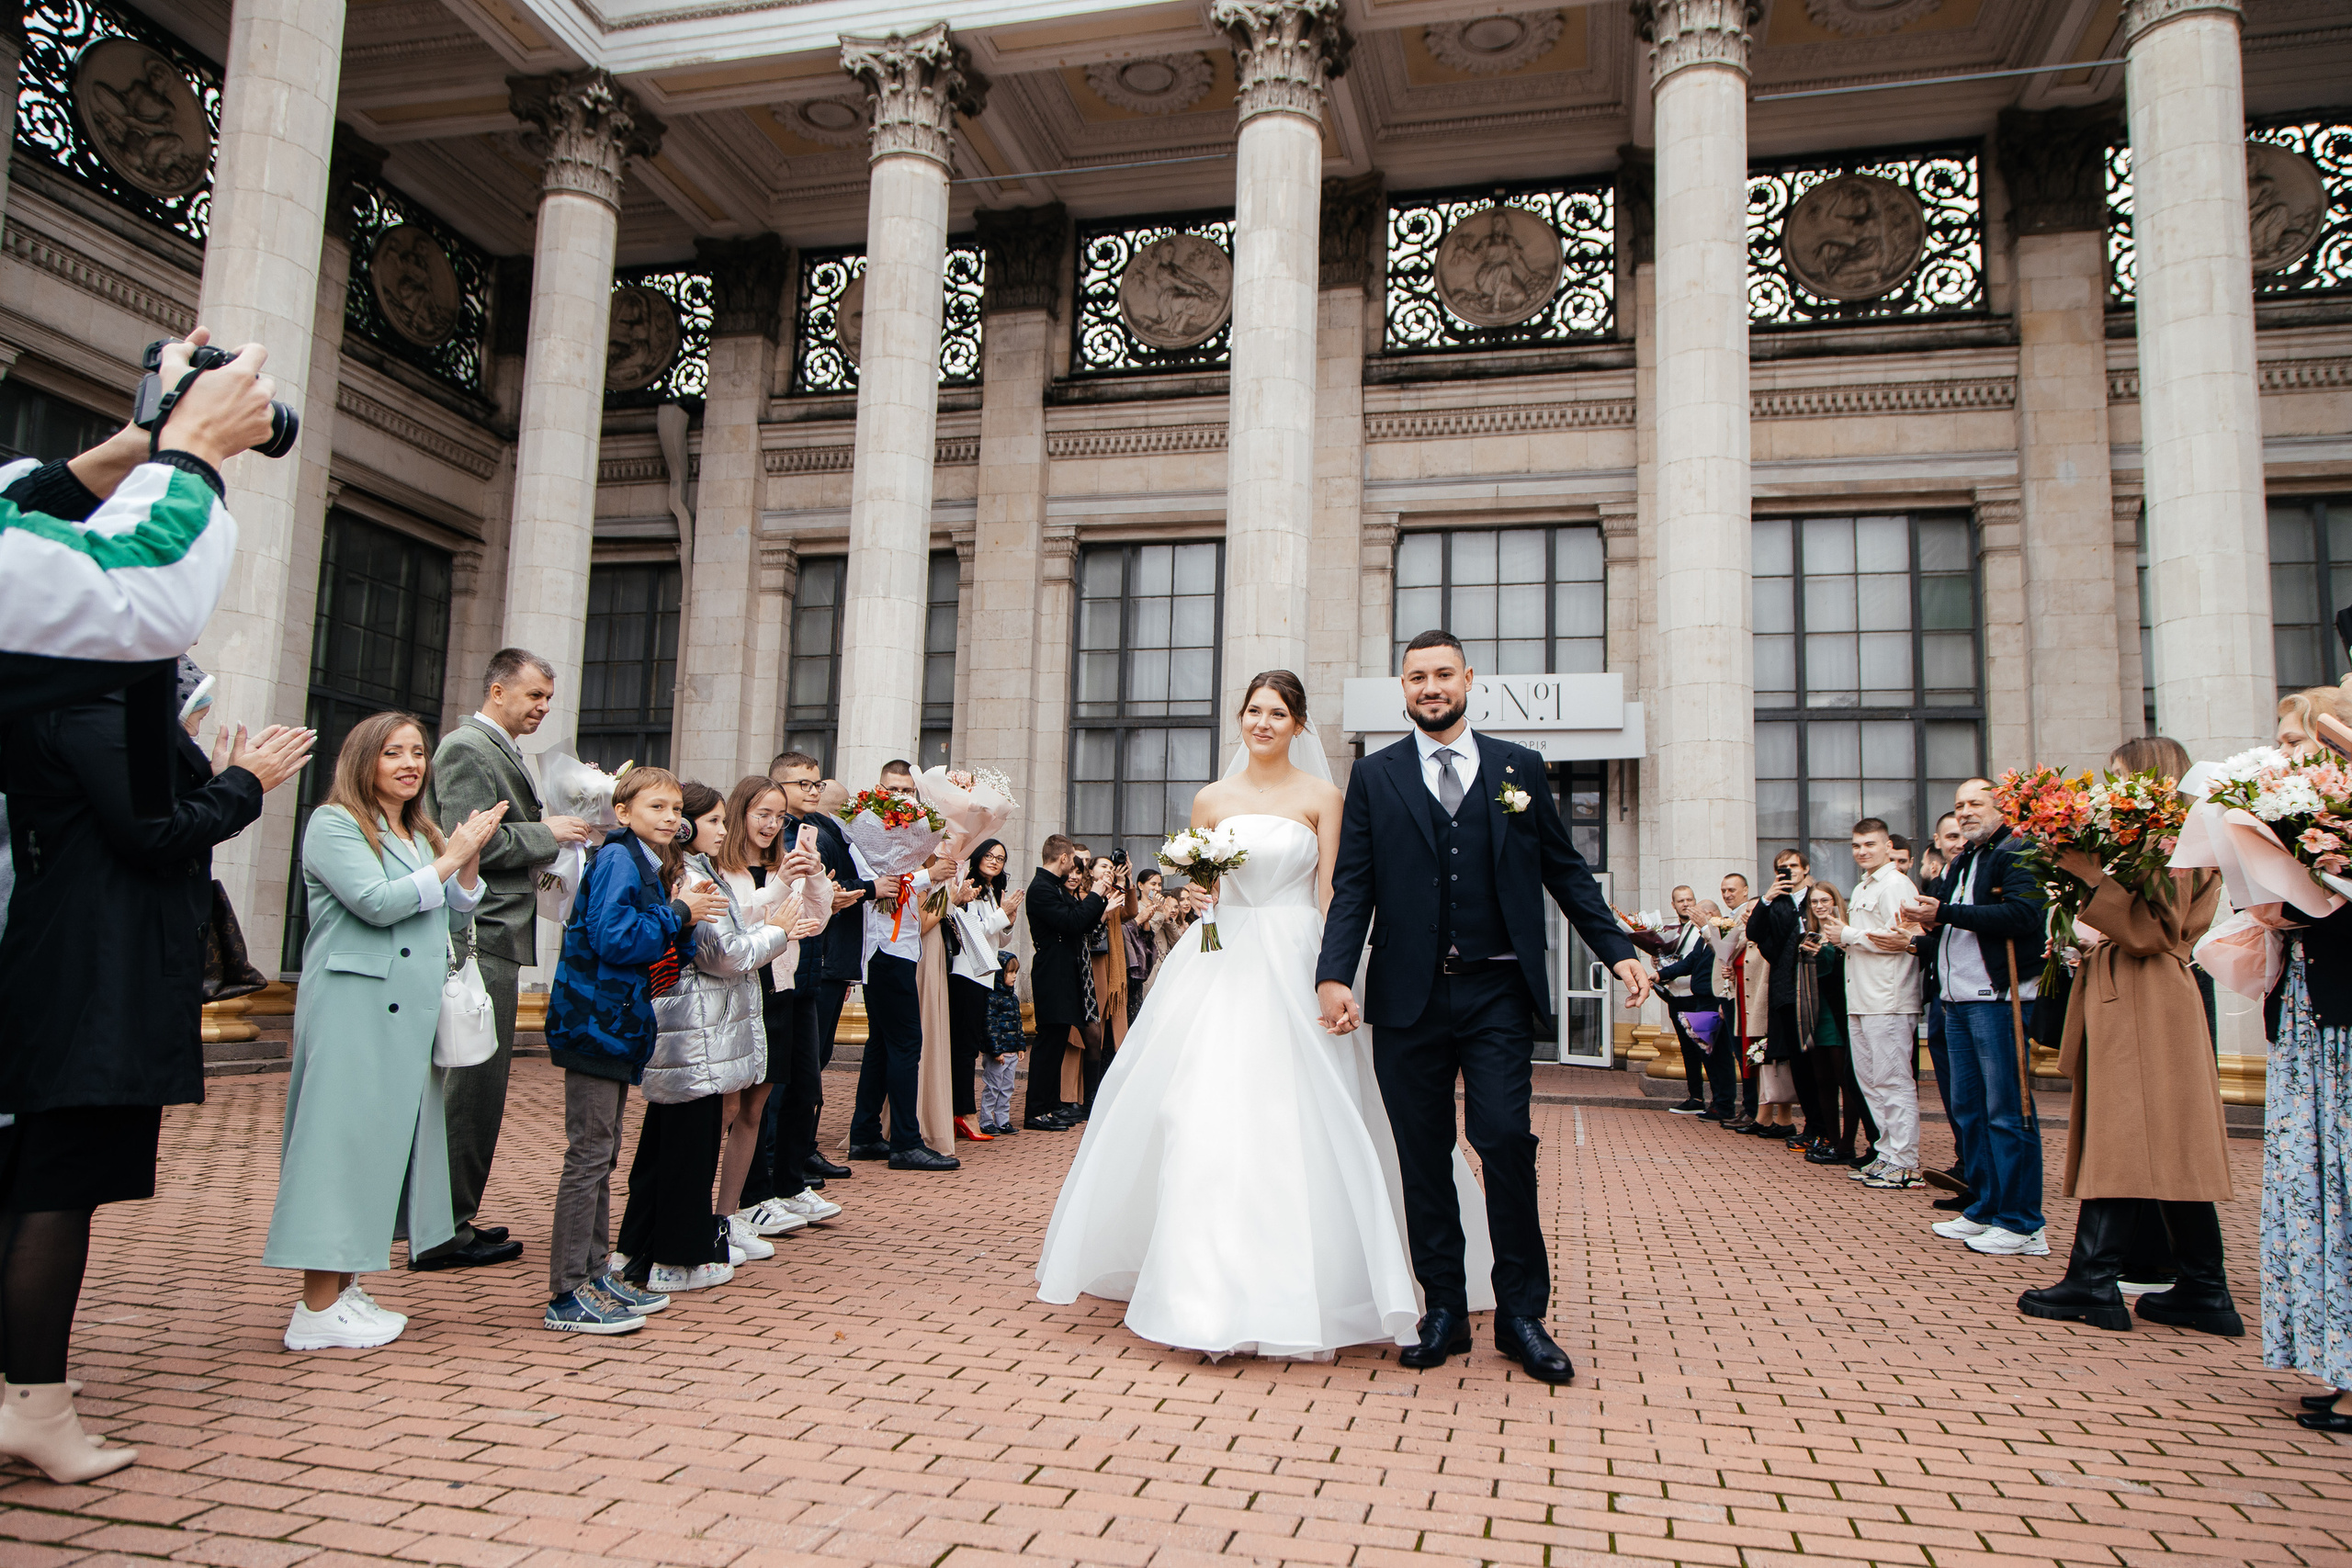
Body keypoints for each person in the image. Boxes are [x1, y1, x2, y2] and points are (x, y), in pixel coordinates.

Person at [1040, 670, 1491, 1360]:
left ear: (1298, 725)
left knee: (1304, 1113)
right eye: (1254, 710)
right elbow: (1204, 887)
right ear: (1241, 718)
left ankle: (1322, 1281)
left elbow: (1337, 889)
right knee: (1196, 1109)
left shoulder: (1322, 795)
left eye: (1278, 712)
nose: (1263, 722)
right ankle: (1202, 1290)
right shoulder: (1211, 798)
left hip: (1295, 953)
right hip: (1219, 960)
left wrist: (1334, 974)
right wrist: (1201, 897)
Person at [1316, 634, 1649, 1381]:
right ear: (1401, 689)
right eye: (1415, 677)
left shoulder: (1517, 767)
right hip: (1408, 994)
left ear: (1469, 679)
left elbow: (1564, 870)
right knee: (1423, 1154)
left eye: (1442, 674)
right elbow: (1354, 886)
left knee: (1504, 1140)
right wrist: (1334, 973)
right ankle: (1442, 1307)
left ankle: (1522, 1314)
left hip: (1496, 989)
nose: (1430, 687)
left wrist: (1616, 949)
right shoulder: (1374, 775)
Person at [0, 671, 308, 1479]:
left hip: (77, 972)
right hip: (99, 984)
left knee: (42, 1183)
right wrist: (248, 783)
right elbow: (151, 832)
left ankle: (22, 1389)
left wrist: (211, 776)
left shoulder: (64, 698)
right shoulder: (97, 706)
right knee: (57, 1189)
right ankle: (33, 1407)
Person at [264, 714, 507, 1349]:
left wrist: (468, 862)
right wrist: (450, 858)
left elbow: (452, 906)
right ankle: (315, 1307)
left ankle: (342, 1288)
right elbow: (377, 901)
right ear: (363, 759)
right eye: (393, 752)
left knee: (379, 1151)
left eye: (418, 752)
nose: (410, 763)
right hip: (354, 1005)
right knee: (338, 1148)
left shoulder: (419, 827)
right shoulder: (334, 823)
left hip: (407, 1012)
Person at [2018, 736, 2235, 1337]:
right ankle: (2203, 1285)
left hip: (2144, 988)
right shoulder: (2172, 839)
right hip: (2146, 991)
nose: (2110, 788)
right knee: (2168, 1138)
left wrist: (2088, 875)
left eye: (2119, 776)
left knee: (2124, 1131)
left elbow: (2150, 929)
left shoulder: (2172, 841)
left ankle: (2094, 1277)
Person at [414, 649, 594, 1272]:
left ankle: (448, 1215)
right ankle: (440, 1225)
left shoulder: (499, 750)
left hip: (497, 931)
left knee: (480, 1086)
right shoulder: (468, 748)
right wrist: (553, 832)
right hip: (480, 933)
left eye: (548, 697)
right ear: (497, 689)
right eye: (535, 696)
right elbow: (468, 840)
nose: (544, 707)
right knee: (471, 1084)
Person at [541, 768, 728, 1334]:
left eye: (676, 809)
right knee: (590, 1157)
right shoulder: (621, 858)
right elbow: (614, 938)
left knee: (603, 1154)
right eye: (657, 807)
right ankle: (568, 1291)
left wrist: (681, 914)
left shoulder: (646, 862)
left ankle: (596, 1275)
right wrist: (679, 913)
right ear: (622, 812)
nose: (671, 818)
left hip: (614, 1024)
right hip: (595, 1022)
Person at [621, 782, 800, 1294]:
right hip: (696, 1031)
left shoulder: (689, 869)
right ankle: (678, 1257)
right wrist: (780, 931)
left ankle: (637, 1248)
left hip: (696, 1029)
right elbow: (723, 955)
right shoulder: (690, 874)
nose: (725, 831)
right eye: (716, 821)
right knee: (687, 1150)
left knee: (666, 1147)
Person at [1908, 778, 2051, 1258]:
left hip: (1998, 997)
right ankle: (1987, 1208)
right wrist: (1926, 923)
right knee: (1970, 1111)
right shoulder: (1963, 858)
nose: (1965, 813)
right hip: (1957, 998)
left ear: (2001, 807)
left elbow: (2025, 915)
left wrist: (1944, 911)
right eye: (1958, 806)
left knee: (2008, 1112)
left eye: (1975, 804)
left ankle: (2023, 1222)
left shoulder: (2017, 851)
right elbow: (1952, 923)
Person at [2261, 688, 2352, 1429]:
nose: (2287, 754)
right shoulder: (2303, 823)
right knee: (2314, 1188)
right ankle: (2338, 1356)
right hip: (2309, 1017)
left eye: (2297, 741)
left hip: (2343, 1026)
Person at [711, 775, 832, 1238]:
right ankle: (720, 1208)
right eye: (762, 814)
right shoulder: (726, 869)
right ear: (740, 813)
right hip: (739, 987)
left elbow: (814, 920)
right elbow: (741, 923)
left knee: (759, 1104)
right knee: (728, 1105)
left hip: (780, 986)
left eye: (779, 817)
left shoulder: (778, 864)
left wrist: (814, 873)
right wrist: (781, 884)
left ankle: (735, 1212)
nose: (771, 825)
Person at [750, 752, 866, 1202]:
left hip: (811, 961)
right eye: (803, 784)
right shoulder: (772, 841)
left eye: (817, 784)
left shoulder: (813, 832)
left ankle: (793, 1172)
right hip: (779, 966)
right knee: (777, 1081)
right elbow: (765, 903)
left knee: (807, 1078)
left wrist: (828, 901)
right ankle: (773, 1171)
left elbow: (810, 903)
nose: (814, 791)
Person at [844, 761, 958, 1170]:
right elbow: (879, 887)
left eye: (908, 792)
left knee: (881, 1044)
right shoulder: (863, 833)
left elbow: (901, 884)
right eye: (894, 789)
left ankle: (865, 1133)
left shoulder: (910, 833)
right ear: (878, 789)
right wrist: (930, 874)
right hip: (883, 950)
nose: (900, 798)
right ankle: (906, 1142)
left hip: (903, 945)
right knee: (907, 1043)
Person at [1827, 818, 1924, 1189]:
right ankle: (1887, 1153)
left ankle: (1905, 1161)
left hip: (1890, 997)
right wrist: (1843, 939)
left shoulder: (1896, 884)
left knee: (1893, 1080)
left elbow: (1902, 936)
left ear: (1888, 847)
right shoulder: (1865, 885)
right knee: (1869, 1080)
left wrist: (1848, 933)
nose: (1862, 851)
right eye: (1856, 845)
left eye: (1869, 844)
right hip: (1862, 996)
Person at [1023, 836, 1112, 1131]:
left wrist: (1098, 904)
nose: (1074, 865)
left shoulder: (1054, 887)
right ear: (1062, 858)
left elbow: (1081, 923)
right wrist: (1097, 894)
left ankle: (1050, 1106)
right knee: (1048, 1043)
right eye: (1071, 859)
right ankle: (1036, 1111)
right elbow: (1072, 923)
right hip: (1052, 973)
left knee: (1057, 1041)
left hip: (1065, 971)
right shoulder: (1041, 889)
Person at [947, 839, 1022, 1144]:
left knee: (970, 1045)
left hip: (983, 977)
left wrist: (1009, 920)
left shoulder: (993, 892)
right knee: (964, 1049)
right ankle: (965, 1113)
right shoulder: (968, 887)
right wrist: (1002, 914)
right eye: (989, 855)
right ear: (978, 857)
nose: (994, 861)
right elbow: (972, 930)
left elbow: (997, 940)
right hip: (964, 973)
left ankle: (961, 1111)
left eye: (1000, 858)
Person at [1800, 883, 1877, 1168]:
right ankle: (1832, 1140)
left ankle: (1847, 1143)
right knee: (1823, 1080)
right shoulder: (1811, 933)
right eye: (1815, 902)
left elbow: (1843, 965)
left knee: (1846, 1080)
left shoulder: (1845, 929)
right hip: (1816, 1011)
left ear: (1836, 902)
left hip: (1840, 1009)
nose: (1819, 906)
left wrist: (1826, 951)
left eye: (1825, 900)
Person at [1747, 851, 1821, 1146]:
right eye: (1781, 868)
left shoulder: (1817, 897)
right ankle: (1812, 1128)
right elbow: (1754, 932)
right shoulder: (1775, 902)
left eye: (1792, 866)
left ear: (1805, 869)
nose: (1787, 872)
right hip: (1785, 992)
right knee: (1797, 1065)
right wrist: (1765, 899)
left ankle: (1822, 1128)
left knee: (1818, 1065)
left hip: (1814, 990)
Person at [981, 953, 1028, 1136]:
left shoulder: (1013, 998)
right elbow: (990, 1026)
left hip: (1011, 1053)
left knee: (1007, 1087)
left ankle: (1002, 1120)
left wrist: (1020, 1046)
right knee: (992, 1087)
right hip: (999, 1054)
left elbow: (1018, 1024)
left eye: (1015, 972)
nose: (1014, 976)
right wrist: (995, 1051)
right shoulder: (993, 998)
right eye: (1010, 972)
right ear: (1000, 974)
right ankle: (986, 1121)